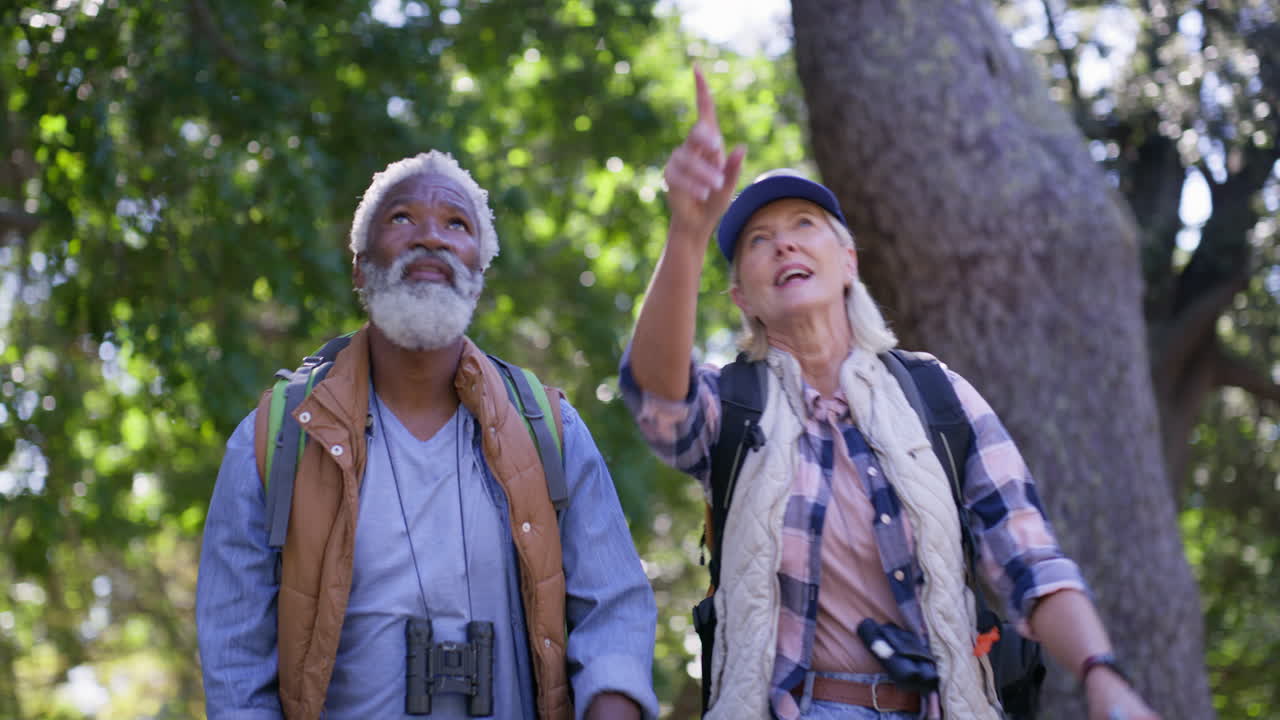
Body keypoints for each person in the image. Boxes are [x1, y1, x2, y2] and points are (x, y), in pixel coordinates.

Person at [619, 67, 1162, 720]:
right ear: (744, 301)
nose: (783, 241)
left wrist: (1103, 676)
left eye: (804, 224)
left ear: (848, 261)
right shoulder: (734, 403)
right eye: (758, 242)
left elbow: (1027, 557)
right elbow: (658, 399)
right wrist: (686, 231)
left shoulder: (936, 393)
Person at [196, 151, 658, 720]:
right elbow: (236, 670)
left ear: (479, 275)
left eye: (456, 224)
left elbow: (613, 610)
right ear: (360, 267)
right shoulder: (276, 439)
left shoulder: (550, 429)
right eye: (402, 219)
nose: (432, 238)